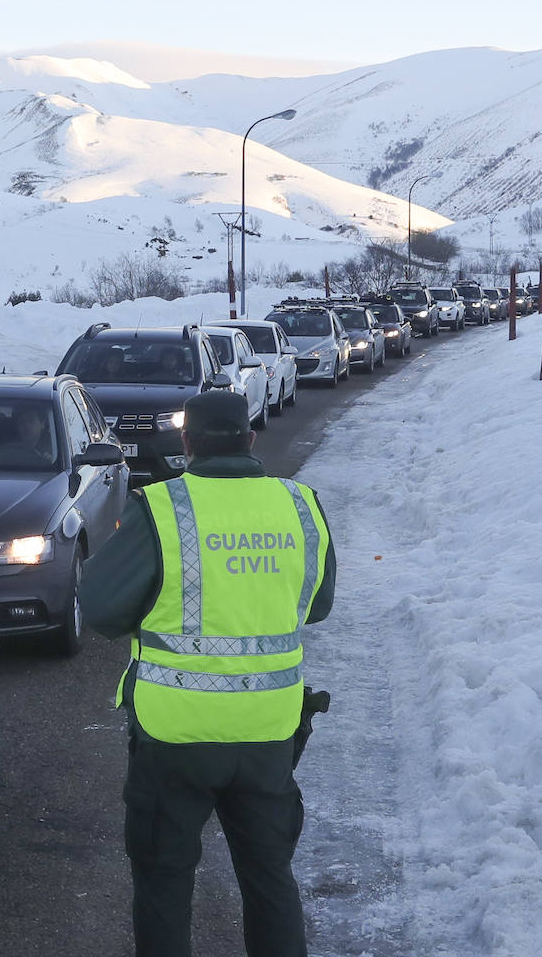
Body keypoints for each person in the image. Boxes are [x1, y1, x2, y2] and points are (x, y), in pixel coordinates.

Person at [79, 390, 336, 957]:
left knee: (165, 881)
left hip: (175, 737)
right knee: (270, 879)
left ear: (187, 443)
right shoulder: (300, 505)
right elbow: (316, 604)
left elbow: (99, 609)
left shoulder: (162, 507)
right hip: (268, 734)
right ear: (249, 438)